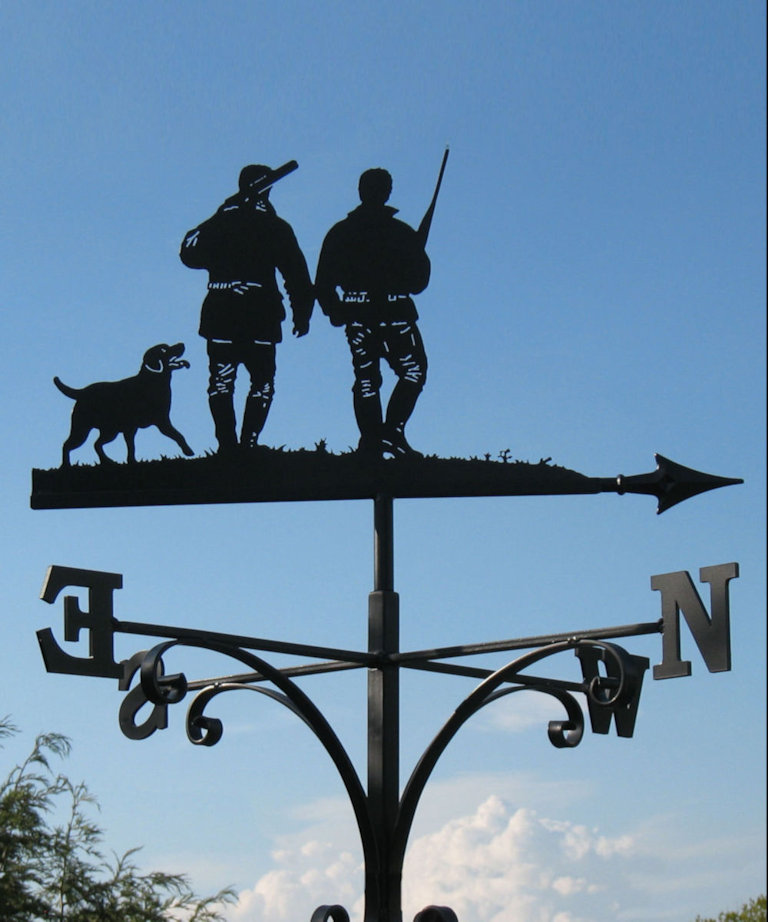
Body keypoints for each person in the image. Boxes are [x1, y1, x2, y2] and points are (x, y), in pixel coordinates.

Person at [180, 164, 313, 455]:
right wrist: (221, 214)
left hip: (244, 314)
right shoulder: (249, 224)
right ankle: (234, 445)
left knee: (239, 383)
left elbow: (296, 275)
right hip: (242, 314)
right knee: (237, 382)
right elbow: (188, 253)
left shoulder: (265, 225)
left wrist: (302, 311)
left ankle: (240, 445)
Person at [315, 168, 430, 458]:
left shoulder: (341, 231)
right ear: (386, 192)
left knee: (370, 377)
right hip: (392, 313)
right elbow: (419, 282)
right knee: (409, 372)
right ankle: (385, 434)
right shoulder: (400, 232)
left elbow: (324, 282)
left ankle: (379, 437)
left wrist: (335, 310)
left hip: (361, 312)